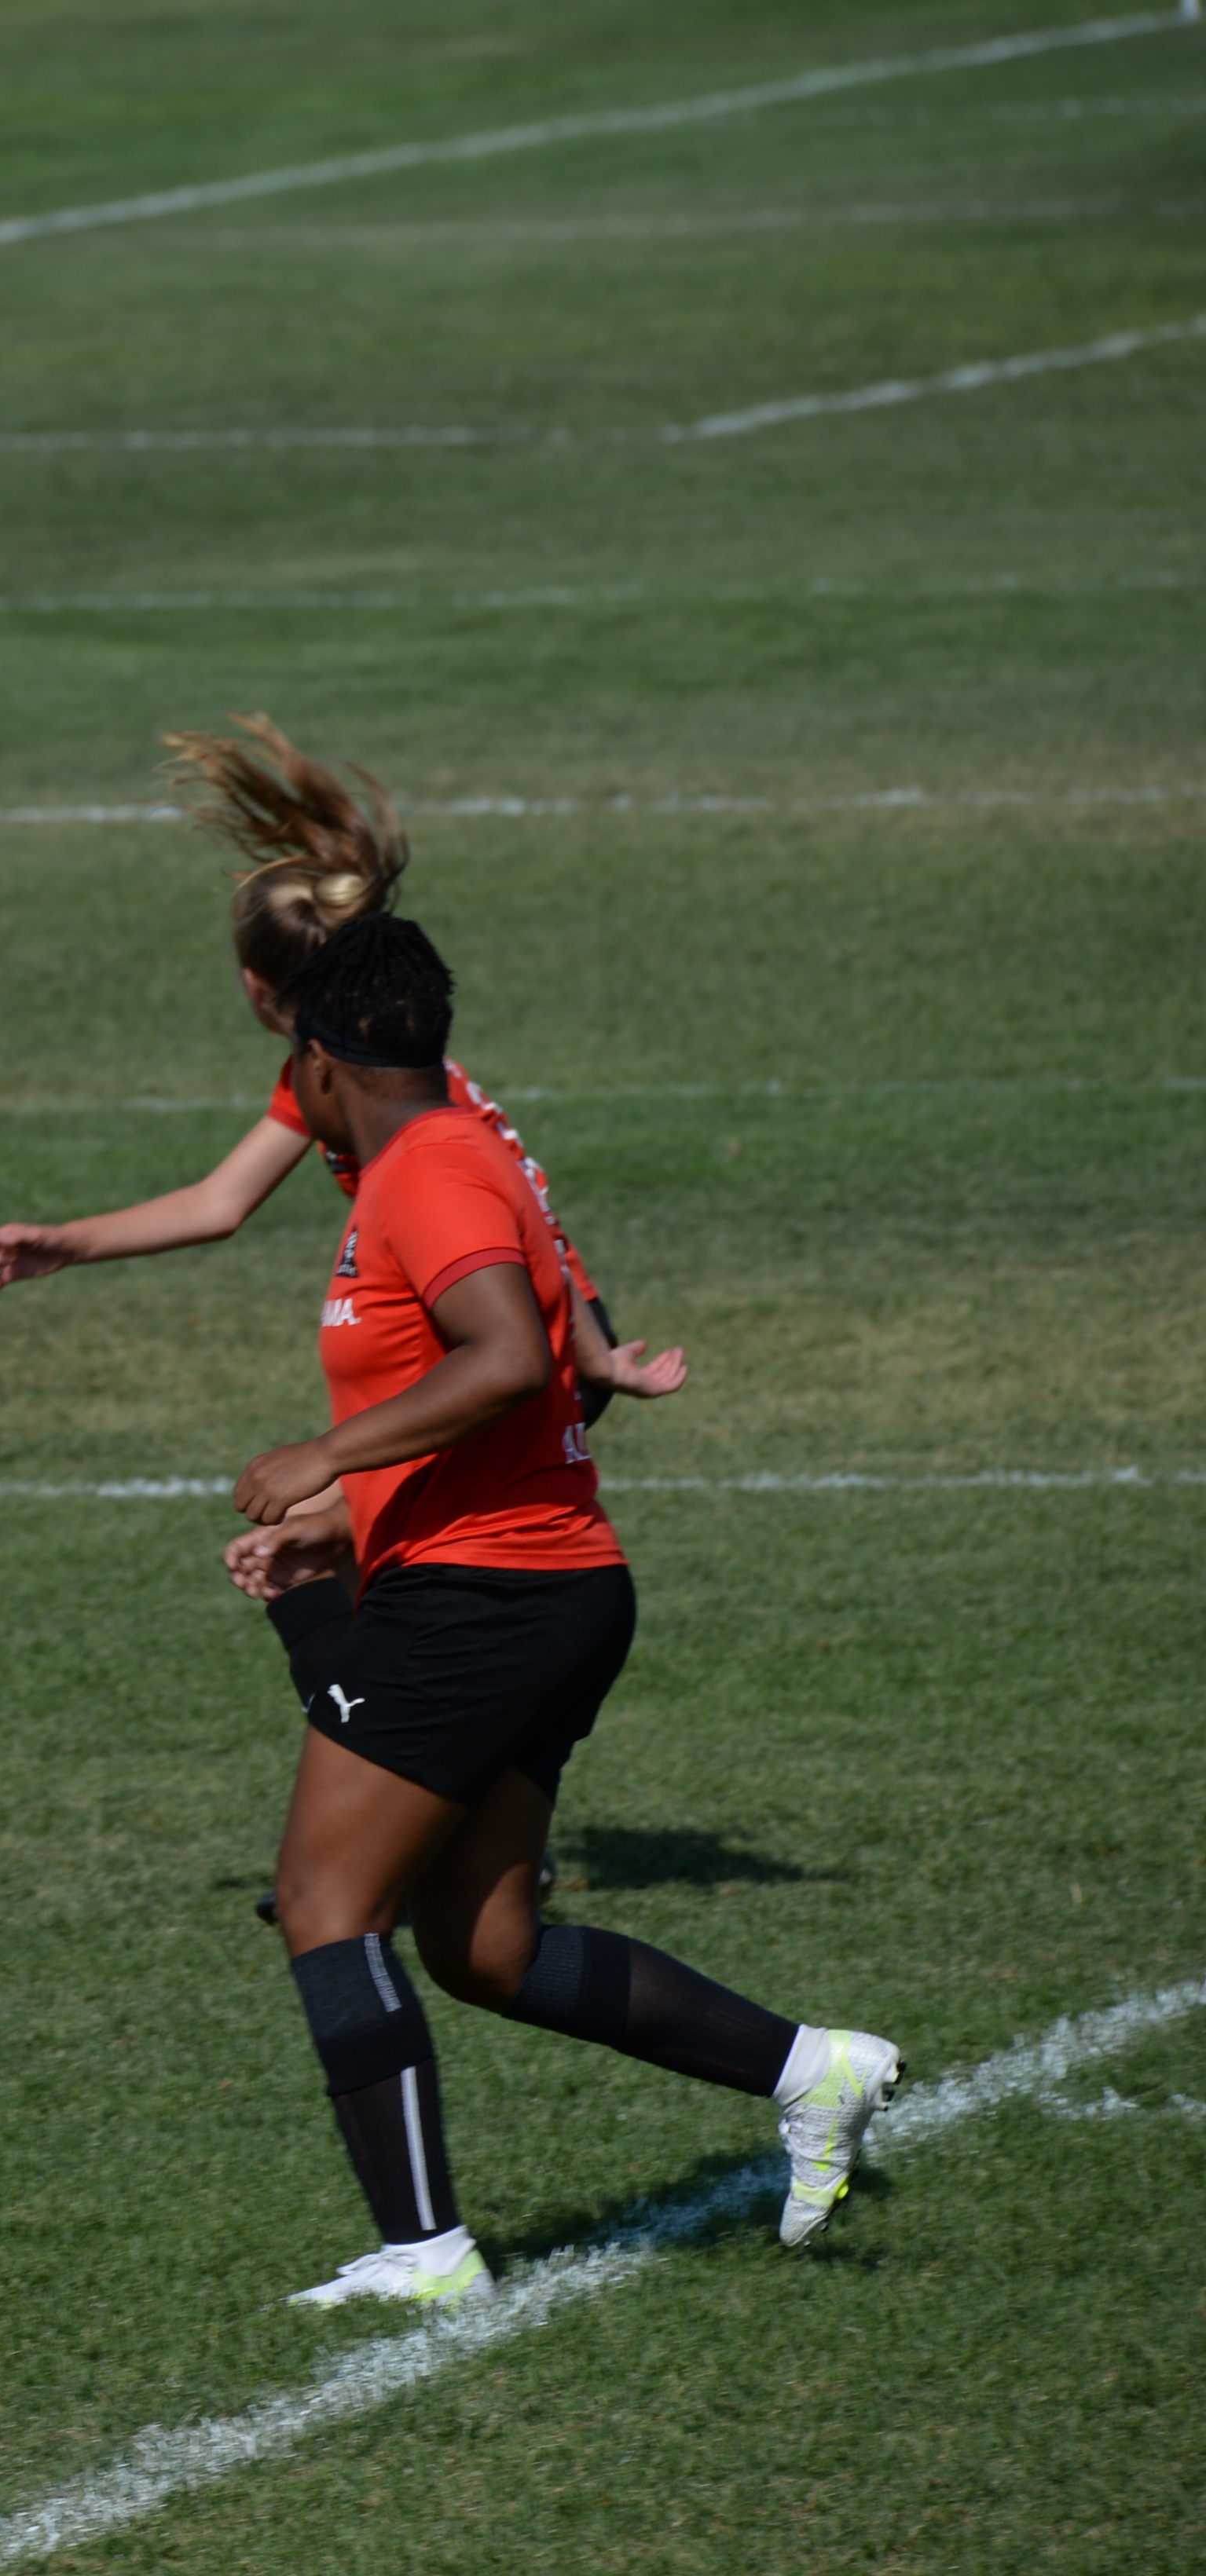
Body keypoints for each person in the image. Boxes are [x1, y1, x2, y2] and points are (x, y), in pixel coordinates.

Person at [224, 918, 897, 2308]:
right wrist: (344, 1526)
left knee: (324, 1905)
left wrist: (323, 1458)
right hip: (527, 1582)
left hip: (487, 1597)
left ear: (322, 1062)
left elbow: (506, 1361)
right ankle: (807, 2070)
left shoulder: (429, 1171)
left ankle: (425, 2257)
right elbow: (544, 1392)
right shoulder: (454, 1157)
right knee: (484, 1950)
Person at [0, 717, 684, 1768]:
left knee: (304, 1549)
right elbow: (222, 1202)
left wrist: (593, 1358)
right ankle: (423, 1794)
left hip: (518, 1339)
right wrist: (69, 1243)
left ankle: (405, 1797)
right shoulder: (356, 1069)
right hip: (532, 1331)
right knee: (317, 1561)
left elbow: (522, 1238)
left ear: (258, 988)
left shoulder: (398, 1097)